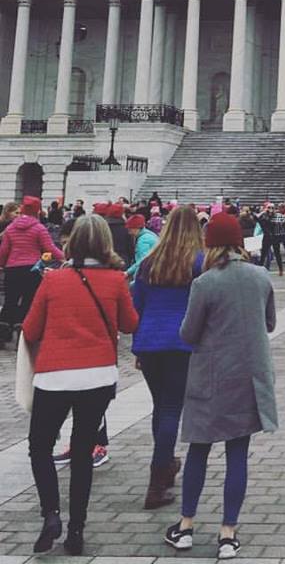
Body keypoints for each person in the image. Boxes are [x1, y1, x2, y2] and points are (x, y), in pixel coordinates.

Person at [22, 214, 139, 555]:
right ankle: (77, 530)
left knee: (40, 446)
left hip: (55, 375)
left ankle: (51, 514)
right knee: (84, 451)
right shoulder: (116, 280)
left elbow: (30, 329)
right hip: (98, 376)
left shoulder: (53, 280)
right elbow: (130, 325)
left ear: (71, 242)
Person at [164, 212, 277, 560]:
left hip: (210, 378)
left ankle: (185, 526)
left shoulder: (205, 282)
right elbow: (270, 323)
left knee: (199, 450)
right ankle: (228, 533)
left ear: (209, 244)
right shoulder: (260, 276)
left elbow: (188, 333)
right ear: (240, 243)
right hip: (248, 377)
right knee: (237, 454)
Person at [132, 205, 205, 510]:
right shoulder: (199, 262)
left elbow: (138, 305)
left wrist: (137, 345)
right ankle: (157, 479)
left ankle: (164, 464)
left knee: (160, 407)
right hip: (182, 343)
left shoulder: (149, 262)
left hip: (150, 342)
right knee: (172, 408)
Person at [0, 196, 63, 328]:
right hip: (32, 269)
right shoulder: (39, 228)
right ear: (38, 211)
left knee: (10, 300)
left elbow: (4, 250)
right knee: (28, 301)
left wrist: (1, 264)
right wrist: (64, 258)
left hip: (12, 269)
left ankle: (3, 331)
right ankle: (21, 328)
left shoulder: (10, 228)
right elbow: (49, 248)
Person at [124, 213, 160, 281]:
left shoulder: (143, 241)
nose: (129, 233)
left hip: (146, 276)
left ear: (136, 228)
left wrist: (127, 272)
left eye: (130, 229)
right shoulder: (150, 234)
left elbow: (142, 261)